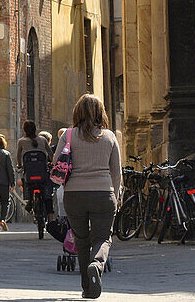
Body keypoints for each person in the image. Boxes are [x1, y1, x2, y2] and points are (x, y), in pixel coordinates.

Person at [63, 94, 121, 299]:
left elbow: (57, 162)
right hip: (103, 193)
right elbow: (116, 172)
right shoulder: (109, 137)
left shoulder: (68, 135)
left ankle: (87, 288)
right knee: (103, 237)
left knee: (81, 240)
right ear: (100, 112)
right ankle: (96, 265)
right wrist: (116, 196)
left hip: (74, 195)